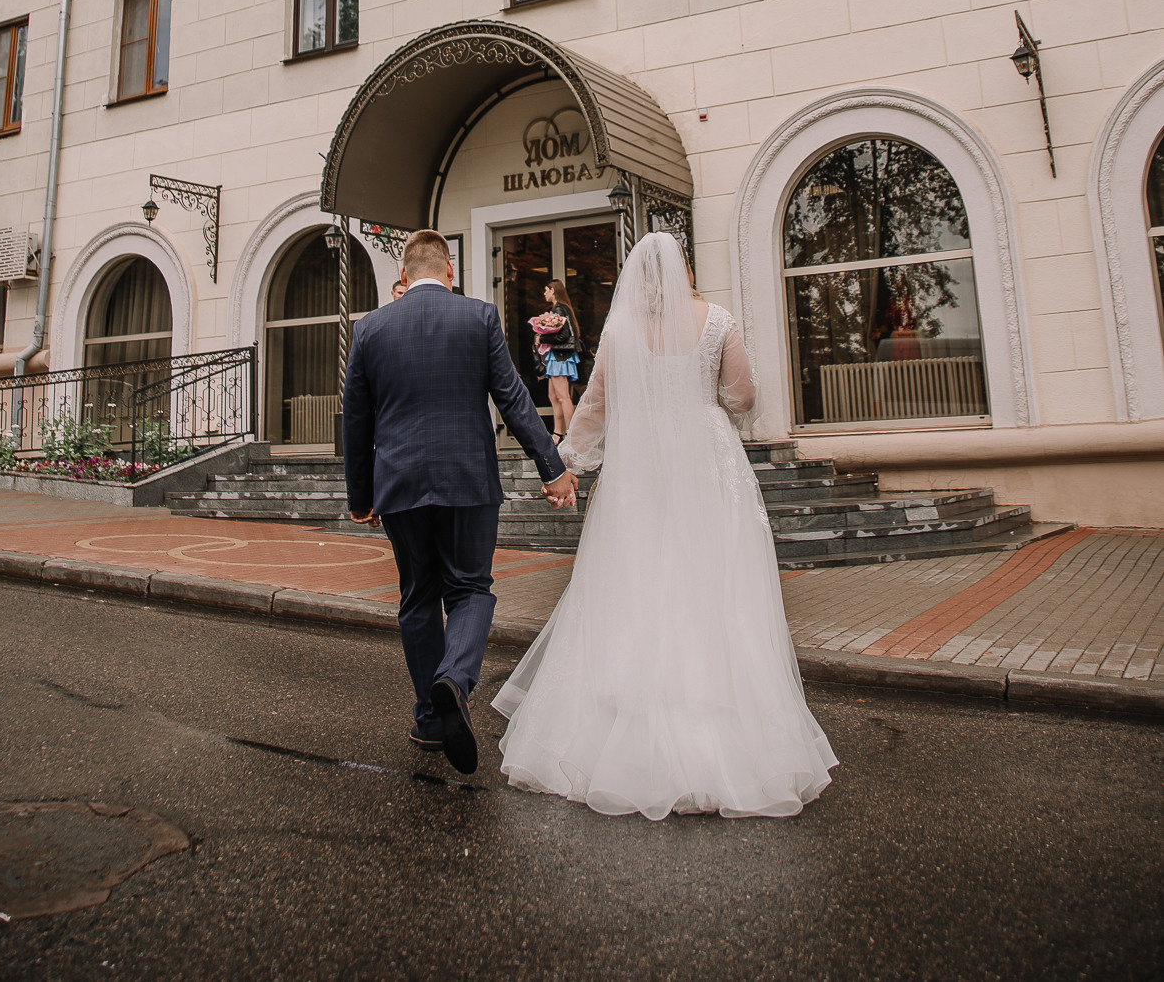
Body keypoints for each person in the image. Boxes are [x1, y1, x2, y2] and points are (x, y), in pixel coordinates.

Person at [493, 231, 837, 820]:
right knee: (712, 581)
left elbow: (595, 407)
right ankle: (722, 715)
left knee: (637, 580)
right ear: (684, 270)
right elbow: (743, 397)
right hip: (706, 463)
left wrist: (565, 467)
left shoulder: (622, 331)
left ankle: (627, 721)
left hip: (641, 468)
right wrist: (706, 393)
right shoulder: (719, 320)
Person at [342, 228, 578, 774]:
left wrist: (361, 495)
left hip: (398, 484)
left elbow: (356, 418)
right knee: (470, 587)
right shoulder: (479, 317)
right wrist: (553, 469)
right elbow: (515, 399)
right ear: (451, 272)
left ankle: (429, 717)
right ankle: (455, 678)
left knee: (417, 594)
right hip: (468, 481)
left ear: (402, 277)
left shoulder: (371, 329)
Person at [528, 278, 582, 441]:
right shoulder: (562, 308)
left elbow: (564, 335)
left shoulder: (559, 308)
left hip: (560, 357)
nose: (544, 293)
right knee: (554, 396)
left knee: (562, 396)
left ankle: (570, 434)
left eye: (546, 290)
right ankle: (558, 432)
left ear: (553, 290)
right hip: (558, 357)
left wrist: (542, 339)